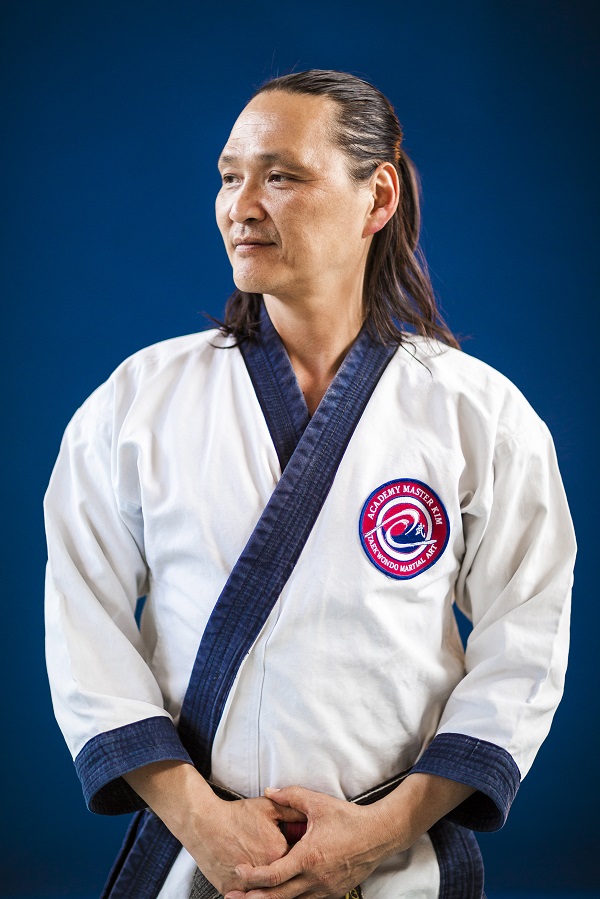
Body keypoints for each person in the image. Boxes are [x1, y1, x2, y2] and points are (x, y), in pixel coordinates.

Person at [44, 70, 576, 899]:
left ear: (377, 197)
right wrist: (201, 818)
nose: (241, 205)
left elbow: (528, 638)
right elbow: (84, 624)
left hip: (395, 860)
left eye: (282, 175)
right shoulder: (137, 402)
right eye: (229, 176)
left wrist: (383, 828)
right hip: (201, 858)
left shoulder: (477, 412)